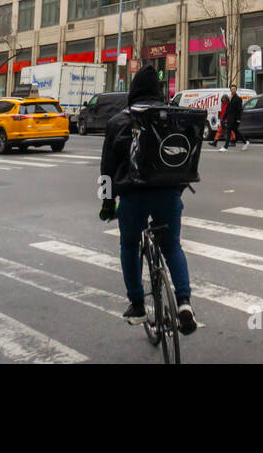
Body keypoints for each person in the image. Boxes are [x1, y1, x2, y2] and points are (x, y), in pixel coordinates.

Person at [99, 63, 197, 333]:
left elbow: (106, 170)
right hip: (168, 193)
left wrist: (107, 203)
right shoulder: (172, 117)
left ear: (134, 90)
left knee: (129, 246)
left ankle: (138, 305)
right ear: (158, 90)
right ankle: (184, 302)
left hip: (132, 197)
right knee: (172, 246)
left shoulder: (118, 121)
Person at [216, 84, 246, 151]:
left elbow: (239, 110)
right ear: (230, 90)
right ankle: (245, 142)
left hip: (235, 119)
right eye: (232, 89)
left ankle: (225, 147)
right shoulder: (230, 98)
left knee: (230, 131)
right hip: (230, 118)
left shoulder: (238, 99)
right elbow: (227, 109)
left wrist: (238, 119)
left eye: (234, 89)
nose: (233, 90)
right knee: (235, 131)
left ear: (236, 90)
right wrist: (223, 118)